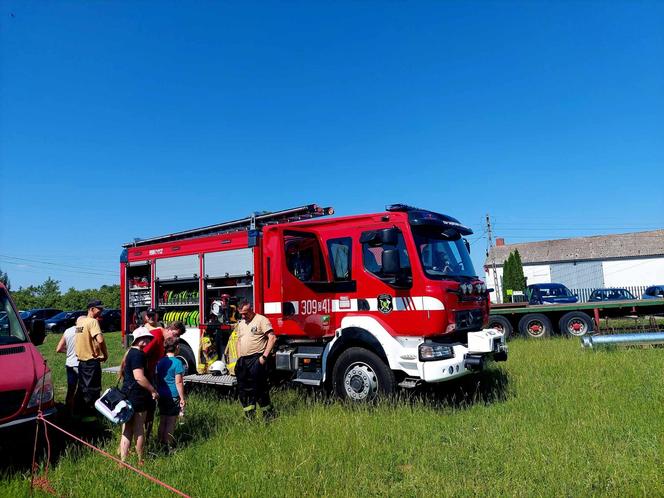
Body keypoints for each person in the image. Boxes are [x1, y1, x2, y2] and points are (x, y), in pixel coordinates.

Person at [118, 329, 159, 465]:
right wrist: (152, 390)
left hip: (127, 394)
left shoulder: (130, 352)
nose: (148, 341)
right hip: (137, 396)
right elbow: (139, 377)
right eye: (146, 338)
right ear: (139, 339)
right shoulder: (138, 355)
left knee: (127, 427)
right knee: (139, 427)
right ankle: (141, 459)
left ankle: (123, 461)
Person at [143, 319, 186, 437]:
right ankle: (165, 443)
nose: (175, 337)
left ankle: (152, 438)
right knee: (168, 419)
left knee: (157, 414)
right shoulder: (156, 336)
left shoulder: (163, 353)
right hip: (146, 379)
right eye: (175, 334)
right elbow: (142, 353)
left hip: (157, 387)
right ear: (169, 329)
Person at [235, 301, 277, 420]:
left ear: (251, 309)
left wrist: (263, 358)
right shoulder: (242, 323)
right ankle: (250, 417)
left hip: (256, 360)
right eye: (241, 314)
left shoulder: (261, 320)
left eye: (245, 313)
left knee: (260, 389)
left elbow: (272, 338)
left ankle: (269, 416)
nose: (243, 316)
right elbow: (239, 341)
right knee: (244, 390)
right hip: (243, 361)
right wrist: (239, 359)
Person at [74, 299, 108, 422]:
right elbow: (100, 340)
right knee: (92, 390)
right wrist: (105, 354)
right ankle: (90, 418)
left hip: (81, 362)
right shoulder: (93, 322)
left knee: (82, 388)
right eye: (99, 308)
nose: (102, 311)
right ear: (91, 309)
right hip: (91, 362)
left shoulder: (80, 322)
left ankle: (77, 414)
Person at [155, 337, 186, 451]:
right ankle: (168, 446)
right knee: (171, 421)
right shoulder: (178, 362)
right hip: (173, 395)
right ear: (177, 347)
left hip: (161, 395)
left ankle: (159, 442)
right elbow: (178, 382)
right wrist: (182, 398)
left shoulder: (160, 361)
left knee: (163, 420)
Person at [55, 325, 78, 417]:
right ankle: (79, 412)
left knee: (71, 389)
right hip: (81, 364)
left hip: (69, 363)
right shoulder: (85, 329)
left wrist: (69, 351)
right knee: (83, 390)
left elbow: (59, 348)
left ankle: (68, 413)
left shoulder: (68, 330)